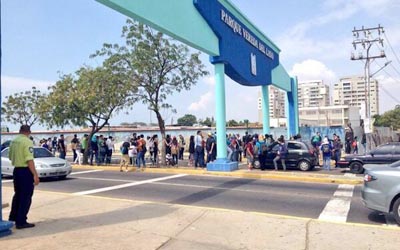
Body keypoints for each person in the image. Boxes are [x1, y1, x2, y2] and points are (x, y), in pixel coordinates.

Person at [8, 125, 40, 229]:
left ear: (20, 131)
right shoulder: (27, 142)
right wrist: (35, 174)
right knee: (26, 197)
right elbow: (29, 160)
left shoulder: (13, 141)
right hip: (25, 171)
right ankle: (21, 221)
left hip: (16, 170)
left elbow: (10, 156)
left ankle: (13, 217)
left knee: (17, 195)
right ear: (28, 132)